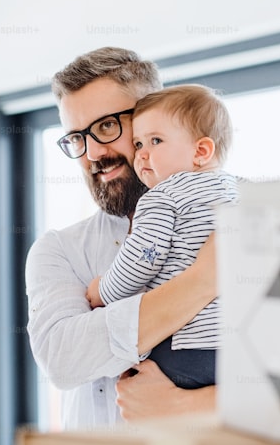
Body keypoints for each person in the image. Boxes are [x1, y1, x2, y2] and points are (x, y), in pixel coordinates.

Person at [25, 47, 218, 428]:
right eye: (77, 138)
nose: (94, 153)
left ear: (151, 116)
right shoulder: (59, 251)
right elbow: (63, 359)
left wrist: (190, 405)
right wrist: (203, 280)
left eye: (107, 127)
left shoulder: (241, 216)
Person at [85, 85, 239, 390]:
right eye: (138, 143)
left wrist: (103, 290)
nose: (141, 155)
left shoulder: (163, 196)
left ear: (201, 151)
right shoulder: (241, 191)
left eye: (155, 141)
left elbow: (141, 261)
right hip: (240, 346)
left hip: (186, 348)